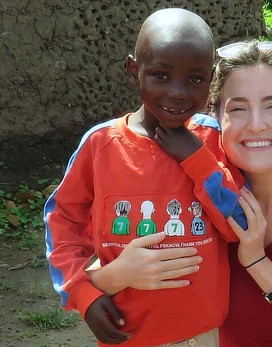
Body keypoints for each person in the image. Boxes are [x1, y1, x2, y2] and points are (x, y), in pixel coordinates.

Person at [88, 39, 272, 346]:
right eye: (238, 108)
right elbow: (101, 270)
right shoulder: (193, 186)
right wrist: (114, 279)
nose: (256, 125)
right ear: (216, 120)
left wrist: (256, 260)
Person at [44, 8, 247, 347]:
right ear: (133, 70)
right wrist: (83, 292)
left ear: (211, 78)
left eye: (195, 79)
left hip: (203, 334)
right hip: (126, 333)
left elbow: (239, 226)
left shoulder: (214, 140)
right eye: (161, 75)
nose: (178, 92)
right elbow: (62, 220)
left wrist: (196, 159)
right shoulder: (100, 145)